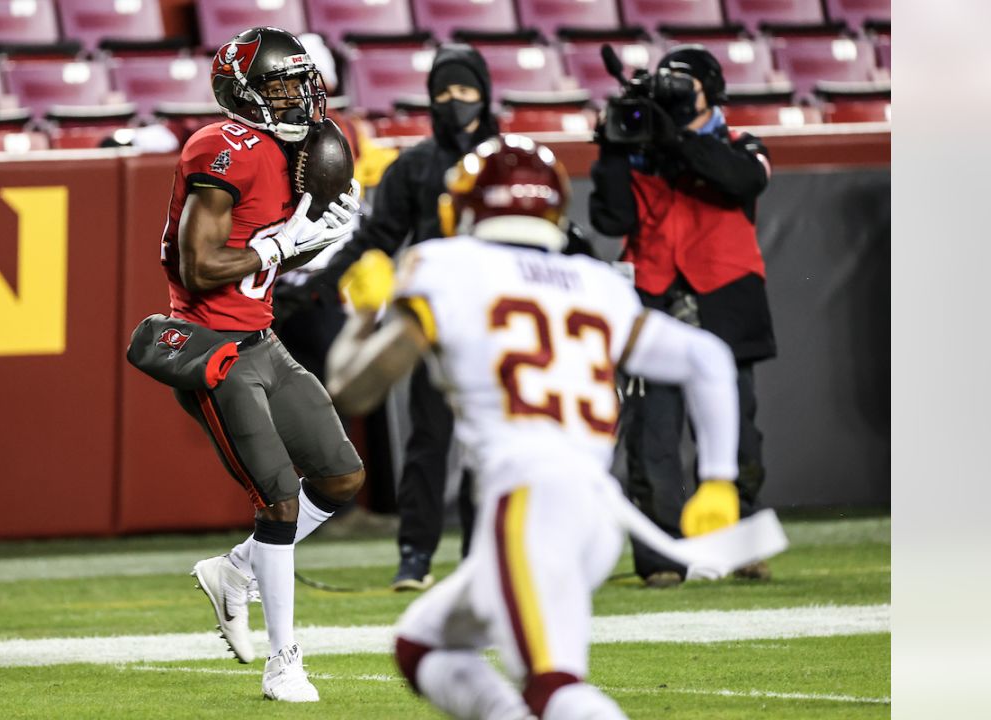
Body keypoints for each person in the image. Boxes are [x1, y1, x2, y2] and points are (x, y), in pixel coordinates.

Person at [323, 135, 751, 720]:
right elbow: (707, 360)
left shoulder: (446, 267)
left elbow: (355, 389)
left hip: (530, 500)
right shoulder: (595, 283)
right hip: (598, 512)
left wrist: (364, 315)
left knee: (554, 688)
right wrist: (720, 480)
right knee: (422, 645)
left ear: (468, 204)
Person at [161, 26, 366, 702]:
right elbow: (200, 264)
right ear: (244, 93)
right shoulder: (222, 147)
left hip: (262, 338)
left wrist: (321, 240)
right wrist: (286, 245)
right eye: (282, 84)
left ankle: (236, 570)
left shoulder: (299, 150)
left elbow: (270, 252)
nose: (300, 95)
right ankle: (286, 662)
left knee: (340, 479)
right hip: (211, 344)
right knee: (277, 500)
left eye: (304, 81)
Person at [274, 43, 500, 591]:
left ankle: (483, 560)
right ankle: (415, 558)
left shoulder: (507, 163)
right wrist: (318, 285)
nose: (455, 101)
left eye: (465, 89)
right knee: (430, 439)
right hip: (437, 323)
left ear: (486, 94)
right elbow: (374, 237)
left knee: (492, 447)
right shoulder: (416, 165)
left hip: (501, 321)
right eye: (443, 91)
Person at [589, 44, 778, 588]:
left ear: (710, 91)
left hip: (725, 296)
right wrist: (613, 150)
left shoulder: (741, 143)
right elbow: (610, 217)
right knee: (653, 435)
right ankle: (661, 558)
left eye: (684, 82)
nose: (672, 91)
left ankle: (741, 547)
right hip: (650, 295)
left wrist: (677, 140)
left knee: (738, 434)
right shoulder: (638, 144)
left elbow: (741, 182)